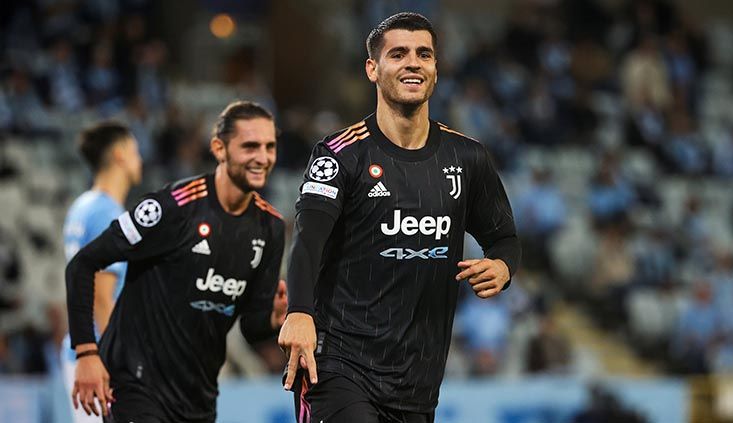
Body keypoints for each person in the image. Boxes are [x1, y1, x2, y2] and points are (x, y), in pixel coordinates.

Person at [278, 12, 521, 422]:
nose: (413, 62)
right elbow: (308, 240)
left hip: (418, 384)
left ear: (435, 69)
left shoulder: (468, 158)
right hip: (337, 368)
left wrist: (502, 266)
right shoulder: (340, 155)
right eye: (399, 53)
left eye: (424, 54)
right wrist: (299, 312)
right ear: (373, 69)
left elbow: (505, 239)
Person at [66, 101, 288, 421]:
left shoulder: (270, 228)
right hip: (136, 387)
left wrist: (272, 320)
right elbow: (83, 264)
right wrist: (86, 352)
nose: (262, 158)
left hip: (198, 398)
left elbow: (251, 326)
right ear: (219, 148)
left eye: (270, 147)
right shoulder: (174, 208)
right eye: (250, 146)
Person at [61, 122, 142, 423]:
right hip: (98, 359)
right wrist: (118, 361)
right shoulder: (107, 214)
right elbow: (102, 298)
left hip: (82, 351)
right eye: (135, 152)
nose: (140, 160)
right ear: (120, 155)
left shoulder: (81, 207)